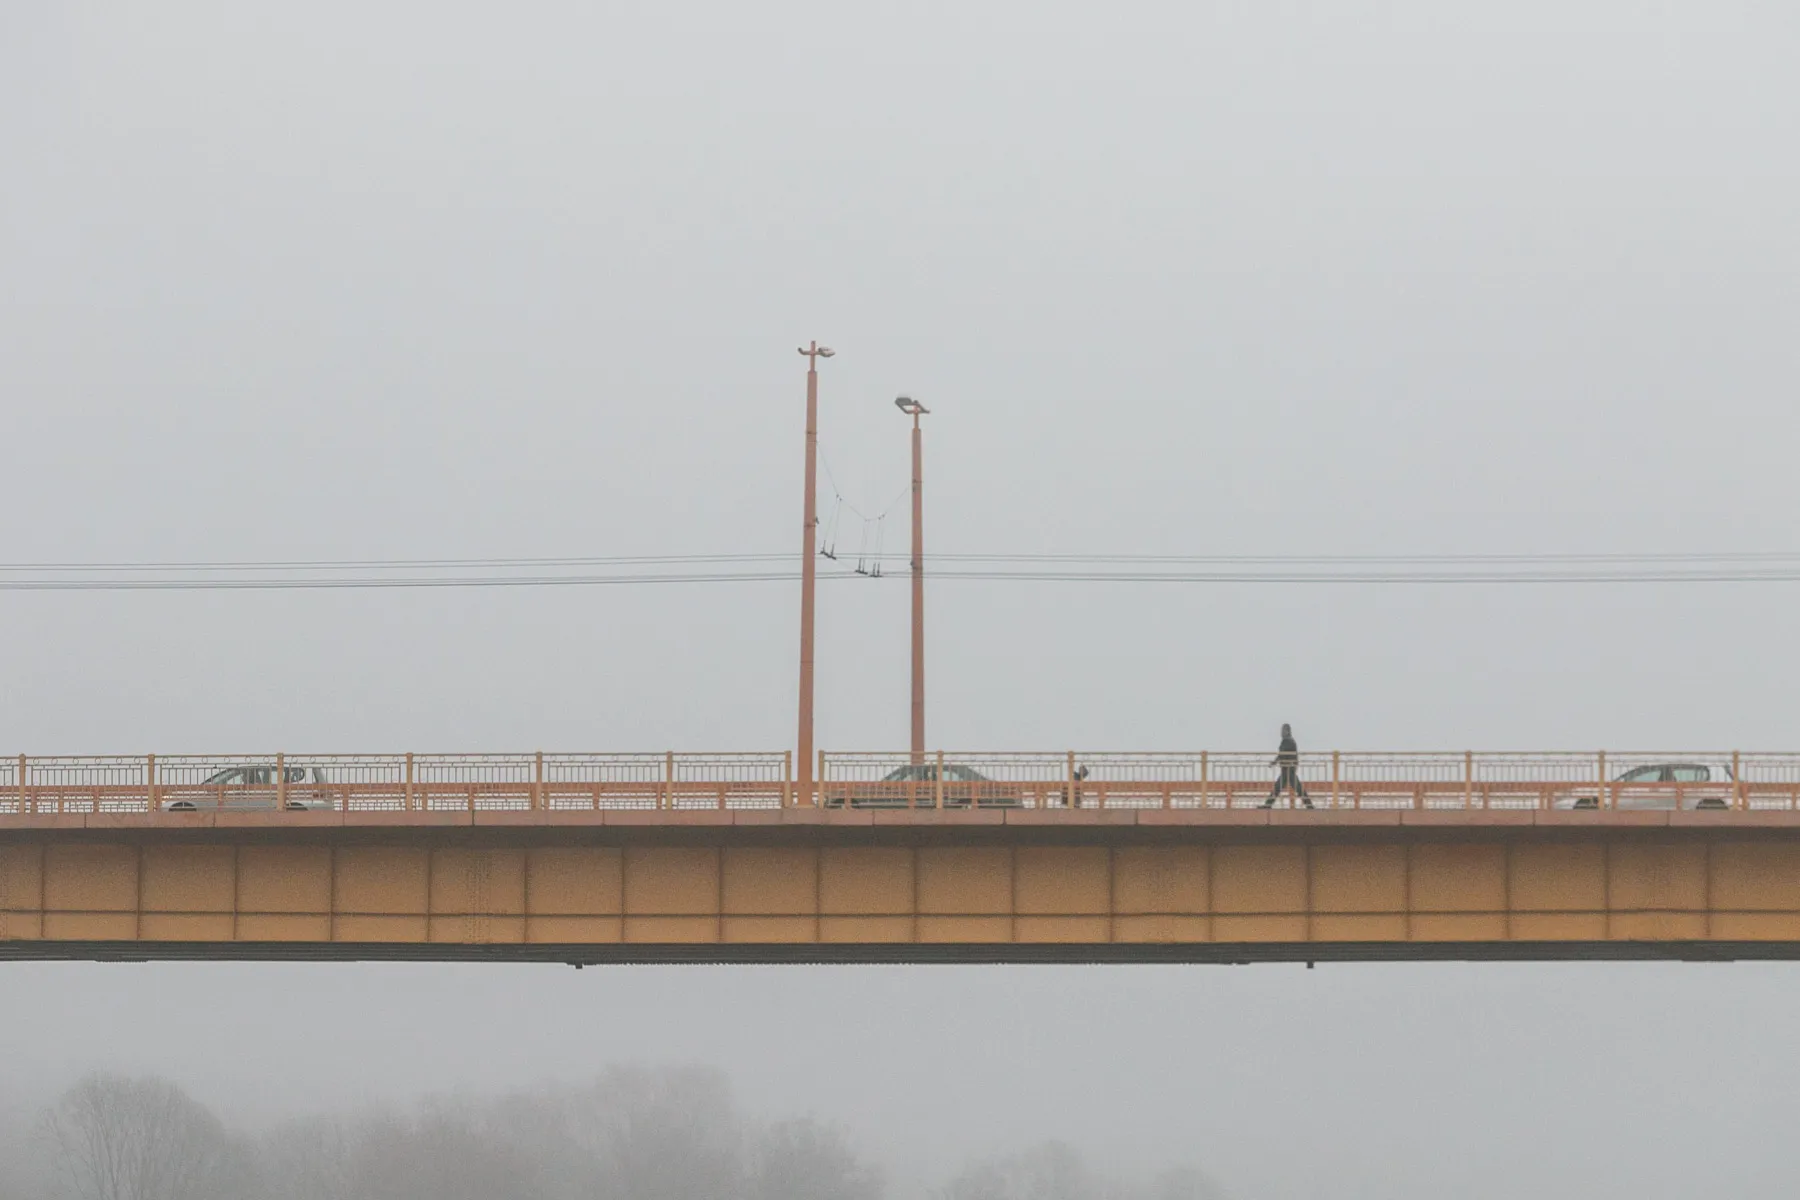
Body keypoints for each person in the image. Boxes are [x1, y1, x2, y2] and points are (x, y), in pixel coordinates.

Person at [1261, 723, 1312, 809]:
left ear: (1287, 731)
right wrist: (1275, 762)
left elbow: (1282, 754)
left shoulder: (1288, 741)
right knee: (1279, 788)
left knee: (1293, 788)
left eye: (1283, 730)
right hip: (1287, 768)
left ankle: (1267, 805)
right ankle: (1309, 805)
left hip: (1288, 769)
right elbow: (1283, 754)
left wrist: (1275, 762)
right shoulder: (1289, 740)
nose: (1281, 733)